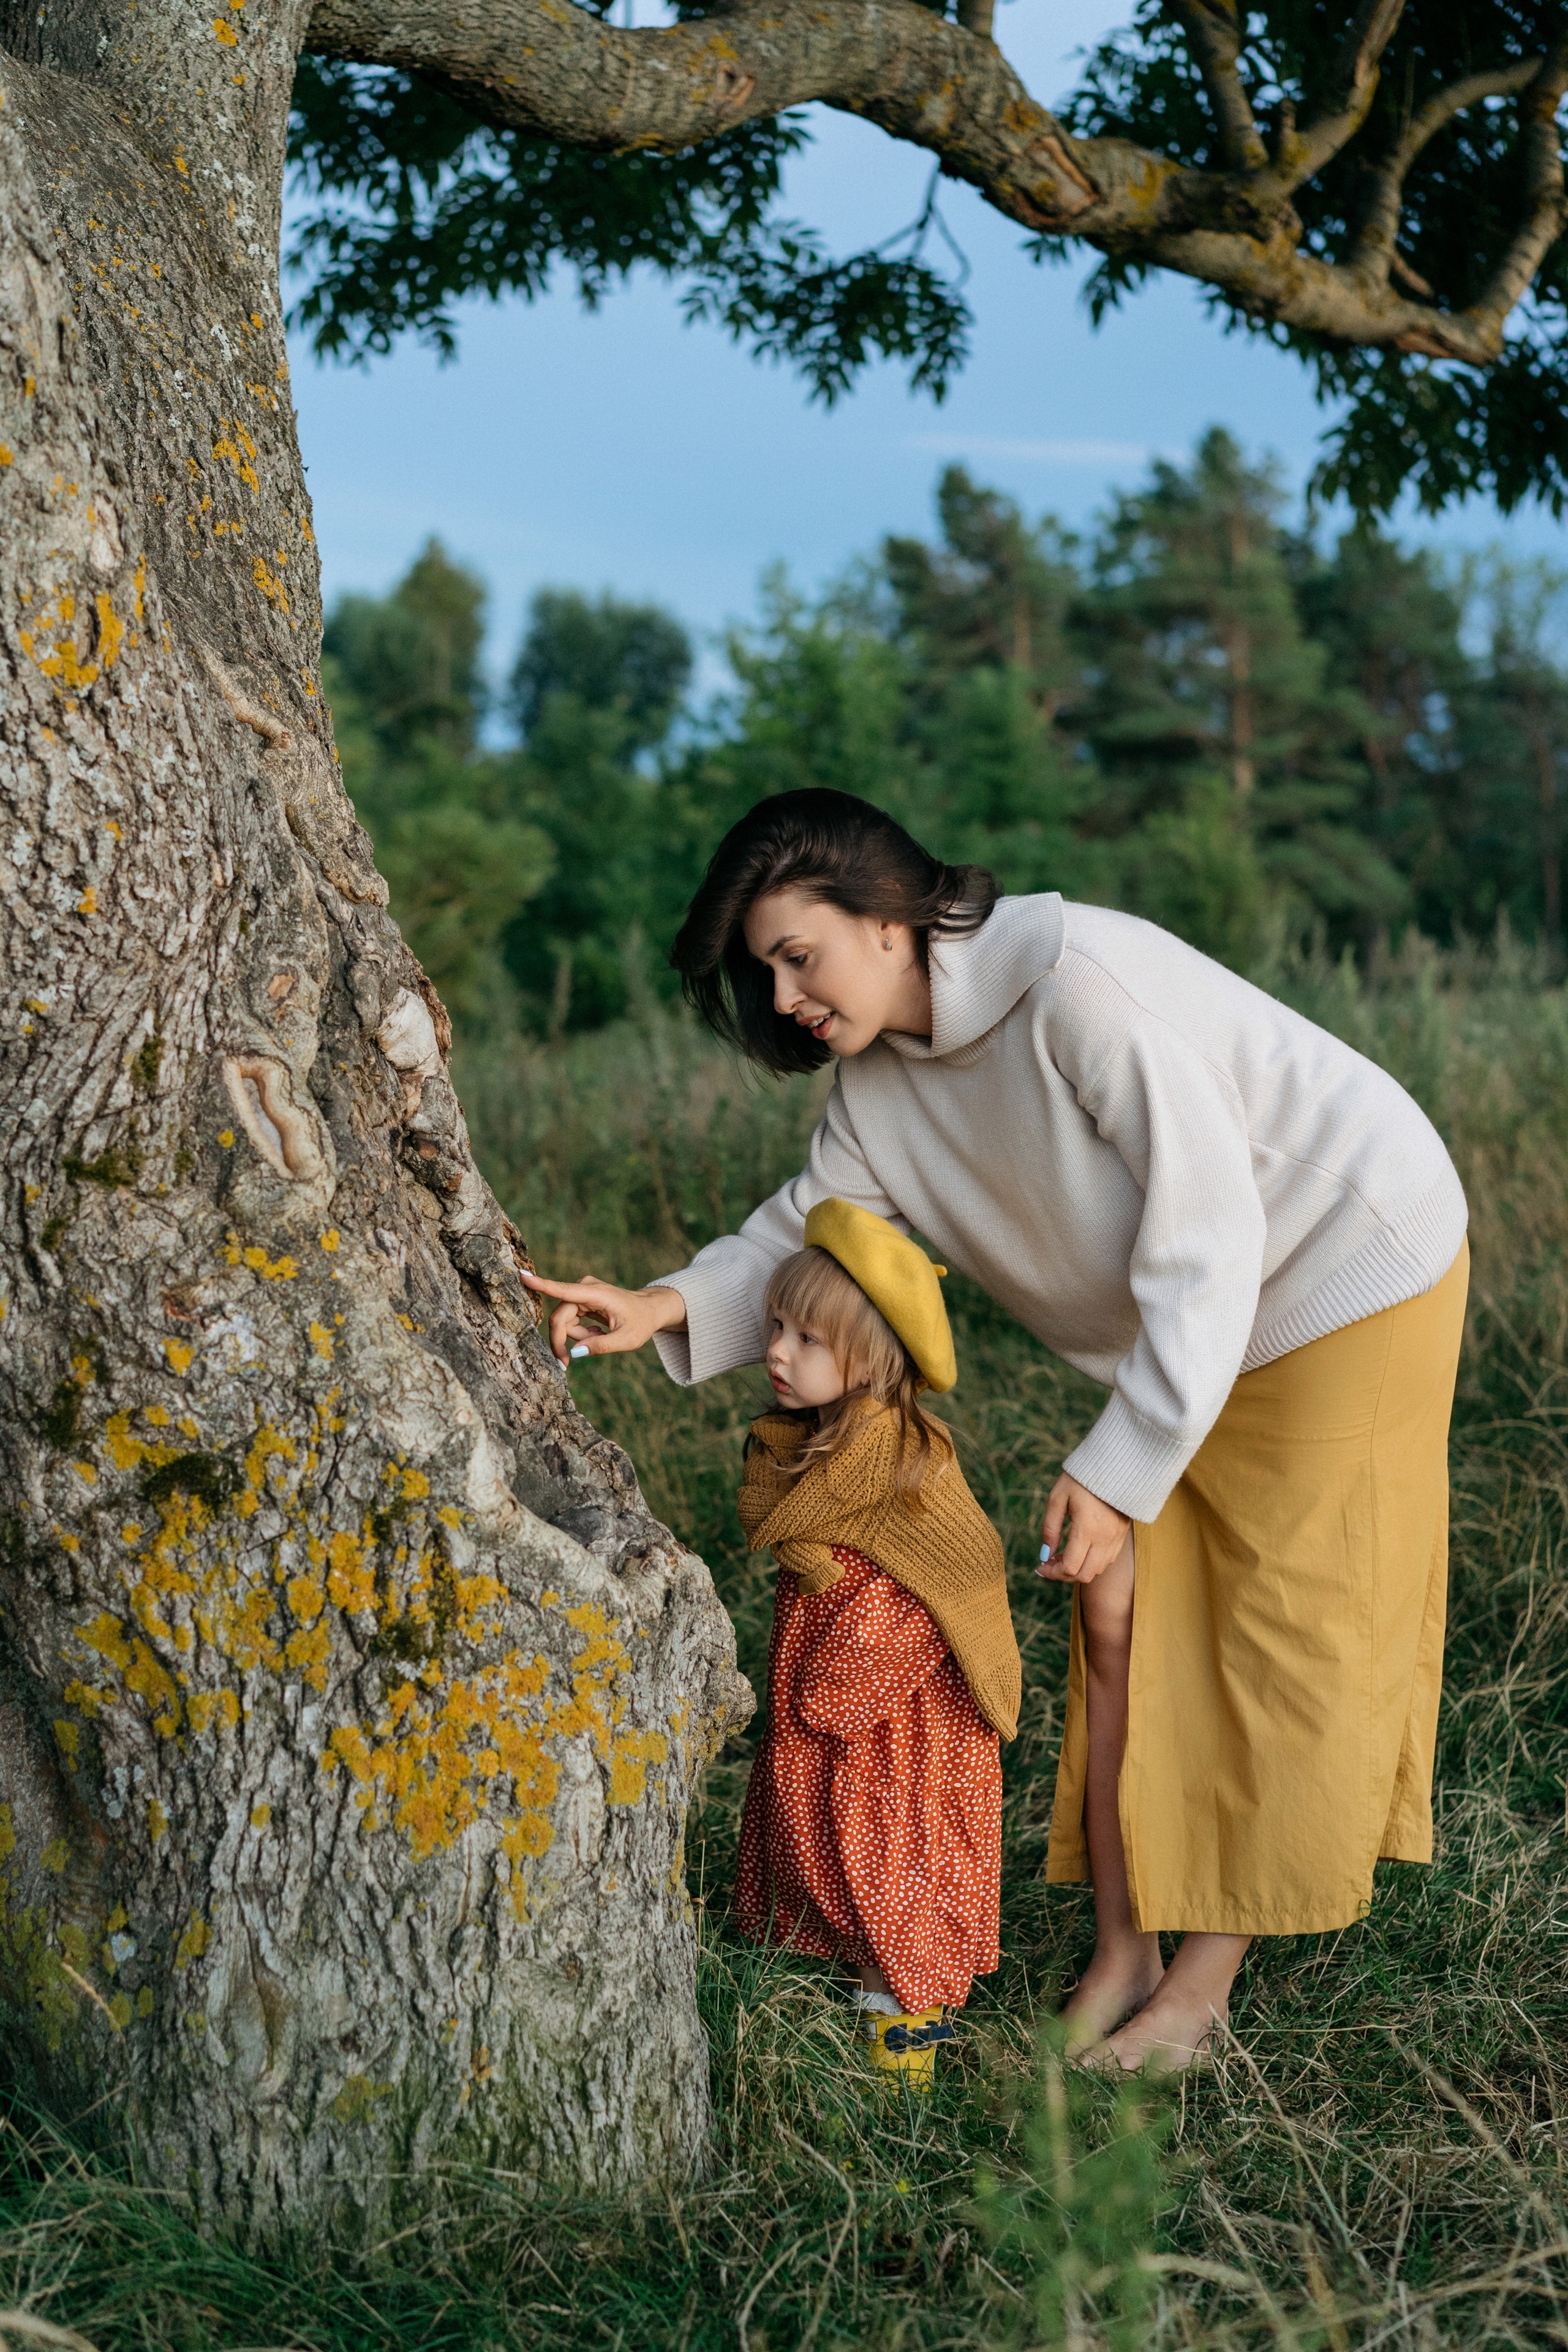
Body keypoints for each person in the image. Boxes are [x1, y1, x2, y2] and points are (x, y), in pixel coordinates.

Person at [523, 788, 1469, 2075]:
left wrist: (1116, 1463)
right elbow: (802, 1231)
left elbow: (1211, 1234)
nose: (787, 996)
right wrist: (656, 1306)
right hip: (1193, 1332)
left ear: (889, 918)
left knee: (1279, 1627)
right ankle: (1123, 1954)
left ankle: (1197, 1997)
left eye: (799, 954)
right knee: (1118, 1617)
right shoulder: (878, 1093)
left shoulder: (1081, 988)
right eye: (766, 973)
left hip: (1343, 1271)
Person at [733, 1196, 1020, 2084]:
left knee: (893, 1867)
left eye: (809, 1340)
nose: (778, 1351)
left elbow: (945, 1587)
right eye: (777, 1326)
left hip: (896, 1727)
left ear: (875, 1358)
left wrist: (829, 1694)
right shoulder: (814, 1448)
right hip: (841, 1719)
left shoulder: (900, 1465)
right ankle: (863, 2001)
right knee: (827, 1846)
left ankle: (904, 2058)